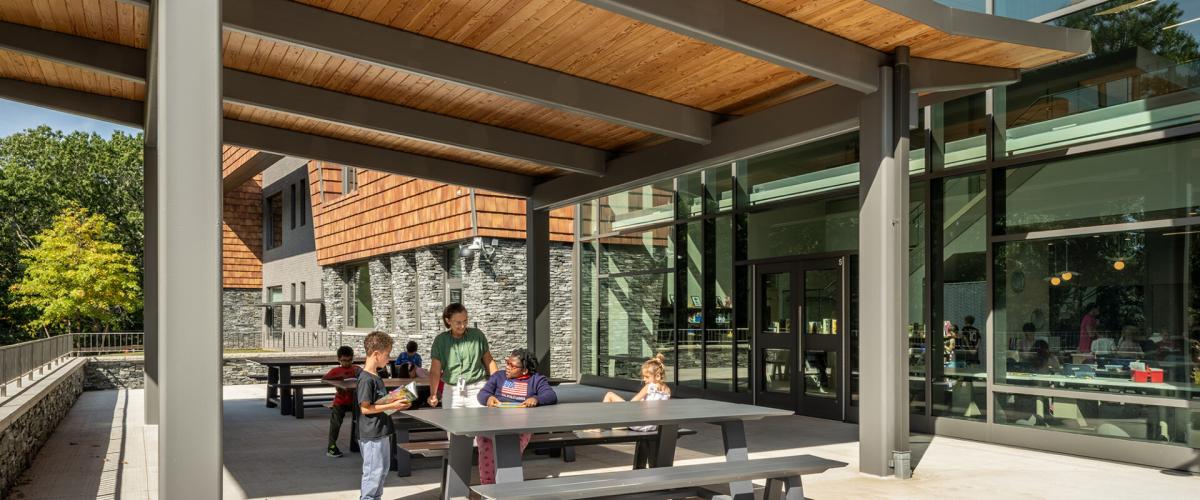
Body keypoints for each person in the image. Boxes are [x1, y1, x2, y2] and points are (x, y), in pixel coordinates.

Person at [474, 348, 558, 485]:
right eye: (507, 362)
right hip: (491, 424)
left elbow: (551, 396)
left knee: (508, 454)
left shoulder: (536, 380)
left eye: (511, 365)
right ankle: (488, 488)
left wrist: (536, 399)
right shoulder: (498, 377)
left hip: (519, 428)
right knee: (485, 447)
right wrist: (488, 398)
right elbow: (482, 394)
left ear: (524, 370)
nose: (507, 367)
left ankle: (507, 488)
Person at [356, 331, 410, 500]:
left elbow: (379, 403)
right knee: (373, 473)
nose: (389, 359)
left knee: (382, 471)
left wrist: (397, 402)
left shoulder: (376, 376)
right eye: (387, 354)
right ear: (376, 354)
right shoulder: (366, 379)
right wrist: (393, 404)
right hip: (372, 435)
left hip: (382, 432)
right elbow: (365, 409)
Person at [426, 303, 498, 409]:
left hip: (477, 388)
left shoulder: (477, 335)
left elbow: (489, 362)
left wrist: (497, 386)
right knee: (451, 424)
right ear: (448, 321)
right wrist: (433, 394)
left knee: (480, 424)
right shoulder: (440, 340)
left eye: (465, 321)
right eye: (458, 322)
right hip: (452, 391)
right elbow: (435, 371)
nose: (463, 326)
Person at [602, 353, 671, 432]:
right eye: (643, 377)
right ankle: (622, 423)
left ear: (657, 376)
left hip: (640, 423)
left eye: (647, 377)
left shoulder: (649, 387)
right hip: (653, 426)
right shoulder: (667, 390)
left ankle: (598, 424)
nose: (644, 379)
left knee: (609, 395)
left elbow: (632, 403)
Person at [321, 345, 361, 458]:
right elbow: (324, 379)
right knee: (335, 423)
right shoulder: (335, 371)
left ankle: (358, 443)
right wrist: (337, 383)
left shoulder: (356, 369)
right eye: (344, 360)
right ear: (339, 359)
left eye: (349, 360)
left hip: (355, 401)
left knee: (362, 420)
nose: (346, 363)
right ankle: (332, 446)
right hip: (340, 401)